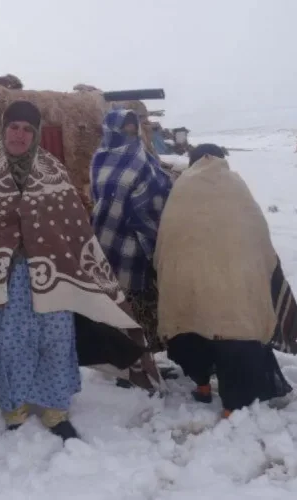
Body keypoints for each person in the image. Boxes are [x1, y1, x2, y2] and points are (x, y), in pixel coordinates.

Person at [0, 101, 161, 440]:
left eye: (27, 129)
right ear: (4, 129)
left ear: (36, 134)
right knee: (10, 342)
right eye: (14, 126)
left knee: (56, 339)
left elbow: (73, 224)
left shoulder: (53, 172)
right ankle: (15, 407)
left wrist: (54, 249)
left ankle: (56, 409)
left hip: (54, 276)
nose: (20, 134)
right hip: (5, 278)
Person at [155, 144, 297, 417]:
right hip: (234, 283)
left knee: (191, 328)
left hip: (190, 283)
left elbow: (167, 239)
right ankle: (233, 405)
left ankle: (203, 385)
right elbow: (258, 234)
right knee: (234, 337)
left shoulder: (183, 187)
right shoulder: (236, 186)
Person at [90, 108, 173, 354]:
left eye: (131, 127)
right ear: (110, 130)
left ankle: (148, 354)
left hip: (137, 240)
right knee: (115, 296)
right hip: (107, 232)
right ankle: (121, 352)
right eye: (123, 128)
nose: (129, 132)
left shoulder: (142, 157)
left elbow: (158, 188)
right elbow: (100, 195)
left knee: (141, 296)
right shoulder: (99, 158)